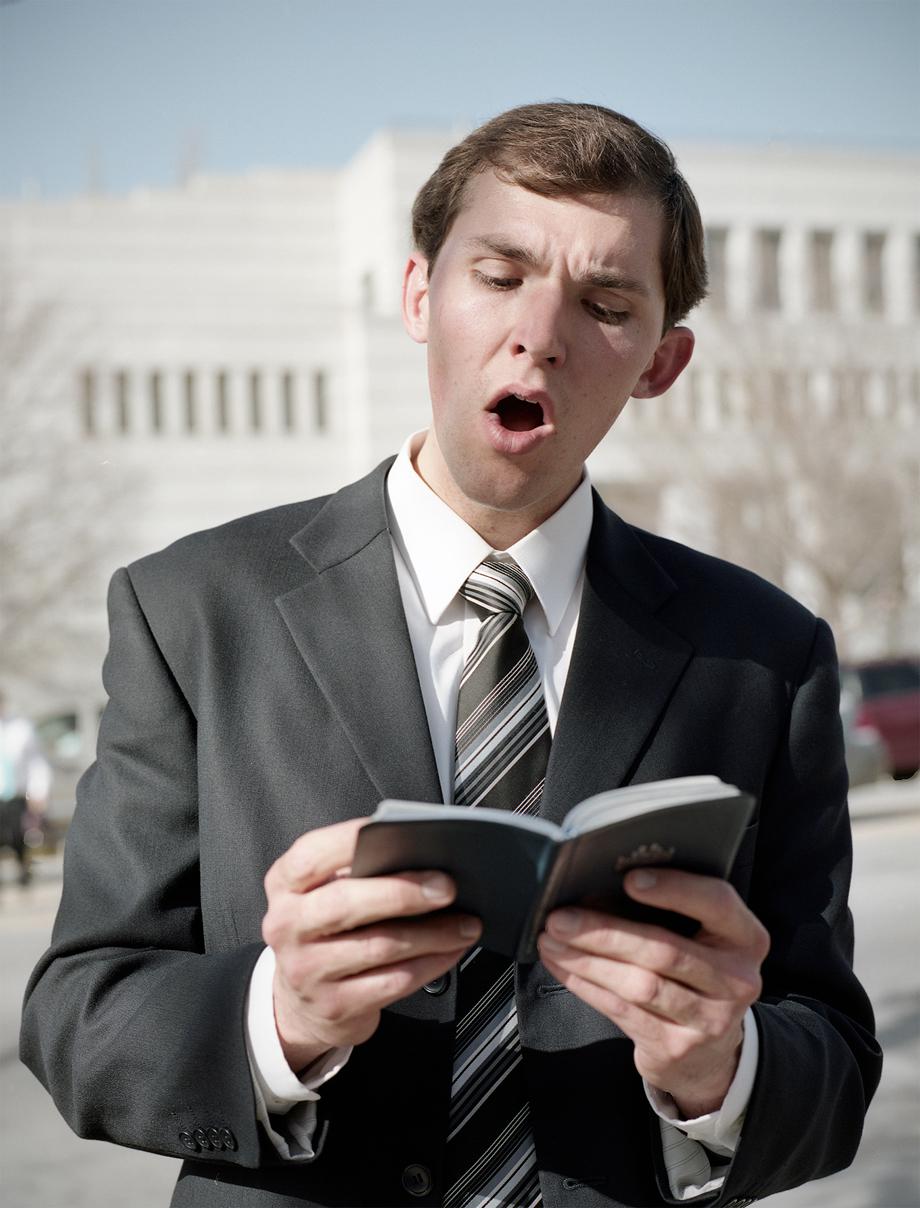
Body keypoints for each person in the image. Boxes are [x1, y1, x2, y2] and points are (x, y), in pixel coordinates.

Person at [21, 103, 880, 1208]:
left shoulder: (768, 655)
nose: (541, 332)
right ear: (419, 294)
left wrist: (722, 1067)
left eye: (604, 302)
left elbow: (833, 1064)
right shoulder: (190, 609)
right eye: (500, 274)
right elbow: (79, 1011)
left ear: (661, 362)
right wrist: (279, 1018)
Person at [0, 692, 51, 886]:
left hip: (15, 795)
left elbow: (36, 763)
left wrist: (38, 791)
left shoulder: (21, 728)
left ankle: (23, 871)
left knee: (17, 837)